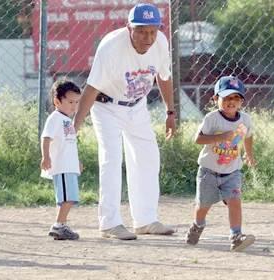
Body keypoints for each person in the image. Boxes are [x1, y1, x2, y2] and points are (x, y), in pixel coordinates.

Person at [73, 3, 176, 240]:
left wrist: (170, 112)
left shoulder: (160, 42)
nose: (148, 37)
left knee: (148, 156)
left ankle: (145, 220)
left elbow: (164, 76)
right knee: (111, 158)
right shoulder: (112, 47)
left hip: (137, 105)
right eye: (141, 31)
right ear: (129, 27)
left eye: (152, 30)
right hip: (106, 105)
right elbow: (90, 89)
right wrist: (75, 127)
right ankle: (110, 223)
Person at [185, 76, 257, 252]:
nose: (231, 102)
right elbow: (198, 139)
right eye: (226, 98)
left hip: (232, 172)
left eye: (236, 98)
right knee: (203, 206)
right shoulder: (212, 119)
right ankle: (197, 225)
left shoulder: (245, 120)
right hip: (209, 172)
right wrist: (220, 137)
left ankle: (236, 236)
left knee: (235, 202)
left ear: (241, 101)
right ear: (215, 99)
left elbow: (248, 136)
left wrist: (248, 154)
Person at [41, 80, 82, 240]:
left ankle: (61, 225)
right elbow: (46, 137)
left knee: (70, 198)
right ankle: (59, 225)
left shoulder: (67, 121)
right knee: (67, 198)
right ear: (57, 101)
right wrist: (46, 156)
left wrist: (76, 162)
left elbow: (69, 145)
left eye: (77, 102)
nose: (74, 106)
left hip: (69, 166)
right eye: (70, 102)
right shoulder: (55, 118)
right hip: (62, 167)